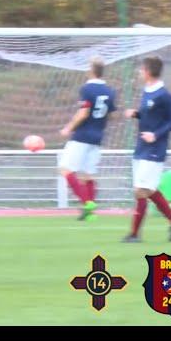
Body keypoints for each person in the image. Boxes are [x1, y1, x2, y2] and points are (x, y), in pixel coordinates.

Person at [122, 56, 171, 242]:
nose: (140, 72)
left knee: (141, 190)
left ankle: (134, 234)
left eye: (142, 69)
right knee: (148, 189)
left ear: (148, 72)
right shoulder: (147, 91)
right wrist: (136, 114)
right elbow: (150, 116)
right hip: (142, 146)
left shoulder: (164, 95)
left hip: (155, 148)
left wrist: (155, 135)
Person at [59, 57, 117, 220]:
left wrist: (68, 128)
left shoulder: (87, 89)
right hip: (97, 136)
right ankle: (90, 214)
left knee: (66, 170)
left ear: (90, 70)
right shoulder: (110, 91)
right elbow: (111, 115)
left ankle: (87, 203)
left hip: (82, 136)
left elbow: (83, 113)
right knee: (88, 176)